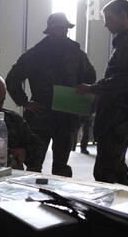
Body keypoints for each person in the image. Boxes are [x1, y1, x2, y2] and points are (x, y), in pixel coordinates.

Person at [6, 12, 96, 177]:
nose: (61, 32)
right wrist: (25, 102)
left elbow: (90, 78)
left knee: (61, 168)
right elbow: (12, 80)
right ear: (50, 31)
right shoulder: (35, 54)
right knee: (34, 165)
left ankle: (59, 199)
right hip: (41, 116)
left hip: (66, 118)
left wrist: (81, 98)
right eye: (57, 29)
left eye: (64, 29)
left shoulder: (77, 54)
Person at [77, 0, 128, 186]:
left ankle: (111, 213)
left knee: (105, 172)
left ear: (124, 16)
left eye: (109, 19)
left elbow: (127, 79)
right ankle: (123, 210)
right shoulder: (125, 42)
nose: (105, 24)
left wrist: (93, 88)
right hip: (115, 116)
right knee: (116, 169)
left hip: (118, 117)